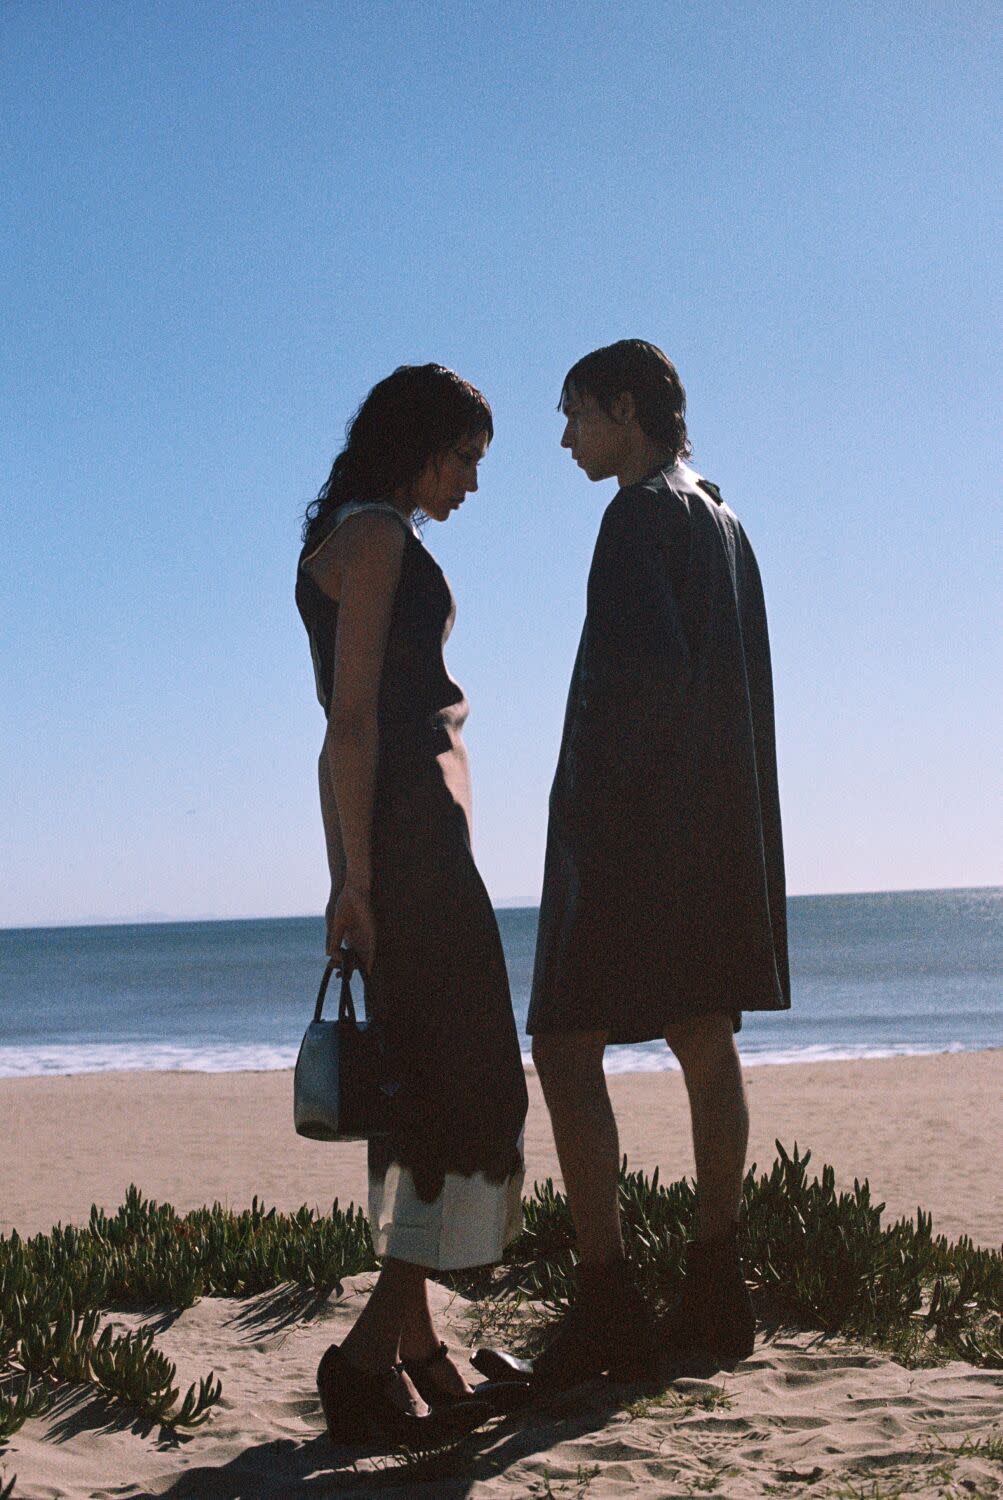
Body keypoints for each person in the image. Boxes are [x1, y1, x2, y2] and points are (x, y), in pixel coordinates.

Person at [527, 339, 790, 1389]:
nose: (565, 437)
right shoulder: (724, 519)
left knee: (558, 1045)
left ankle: (606, 1299)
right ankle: (716, 1282)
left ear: (625, 410)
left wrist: (590, 835)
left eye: (576, 414)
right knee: (700, 1032)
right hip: (718, 828)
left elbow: (632, 691)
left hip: (637, 834)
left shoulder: (637, 514)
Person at [296, 364, 529, 1444]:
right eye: (466, 457)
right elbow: (351, 721)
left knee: (426, 1089)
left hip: (399, 837)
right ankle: (361, 1358)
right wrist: (357, 877)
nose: (473, 483)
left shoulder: (353, 532)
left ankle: (421, 1347)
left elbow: (338, 736)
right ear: (420, 442)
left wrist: (348, 860)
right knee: (474, 1090)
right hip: (412, 844)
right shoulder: (379, 534)